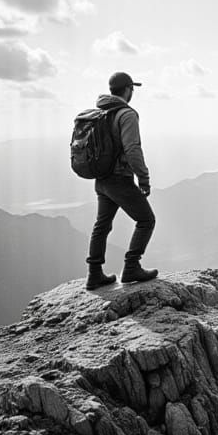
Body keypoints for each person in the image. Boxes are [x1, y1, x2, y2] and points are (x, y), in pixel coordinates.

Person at [85, 71, 158, 289]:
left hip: (102, 179)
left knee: (102, 226)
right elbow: (132, 149)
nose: (132, 93)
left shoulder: (100, 112)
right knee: (146, 220)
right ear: (127, 90)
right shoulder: (127, 114)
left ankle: (94, 274)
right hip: (119, 179)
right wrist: (144, 179)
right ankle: (131, 266)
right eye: (132, 89)